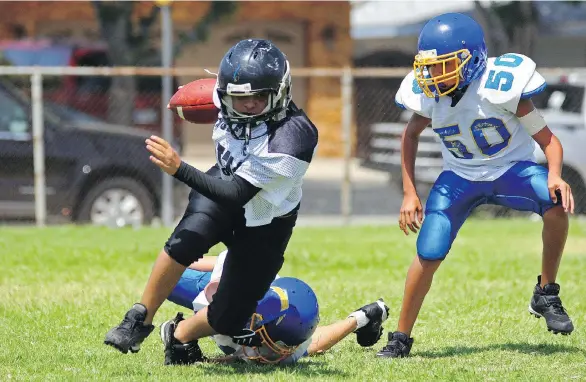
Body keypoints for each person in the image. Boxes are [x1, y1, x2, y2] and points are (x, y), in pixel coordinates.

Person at [104, 39, 320, 357]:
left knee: (229, 317)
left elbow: (238, 195)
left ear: (279, 93)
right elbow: (204, 101)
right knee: (186, 238)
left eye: (258, 98)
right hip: (224, 181)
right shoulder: (225, 96)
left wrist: (180, 169)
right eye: (237, 98)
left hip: (266, 216)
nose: (246, 105)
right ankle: (138, 318)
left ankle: (179, 335)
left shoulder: (294, 136)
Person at [377, 13, 575, 359]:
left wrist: (555, 174)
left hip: (511, 169)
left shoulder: (501, 88)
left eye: (442, 65)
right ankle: (400, 338)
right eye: (429, 66)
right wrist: (410, 191)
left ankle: (546, 291)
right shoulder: (430, 97)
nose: (432, 75)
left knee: (554, 203)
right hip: (459, 178)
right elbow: (409, 136)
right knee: (429, 251)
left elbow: (550, 141)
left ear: (471, 61)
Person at [160, 250, 390, 365]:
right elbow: (224, 259)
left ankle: (365, 316)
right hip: (219, 283)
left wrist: (358, 319)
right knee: (166, 278)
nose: (281, 350)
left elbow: (315, 343)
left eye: (285, 345)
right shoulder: (234, 293)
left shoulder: (294, 333)